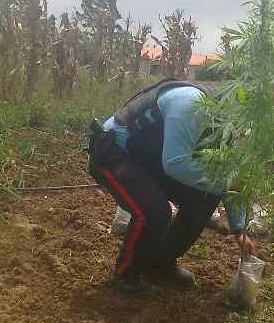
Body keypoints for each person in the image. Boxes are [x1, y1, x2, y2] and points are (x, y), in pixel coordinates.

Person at [88, 79, 255, 293]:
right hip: (115, 153)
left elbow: (227, 174)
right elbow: (176, 163)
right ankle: (125, 277)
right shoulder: (190, 103)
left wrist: (239, 228)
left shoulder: (226, 129)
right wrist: (222, 183)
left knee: (205, 197)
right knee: (154, 212)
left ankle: (160, 263)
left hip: (149, 159)